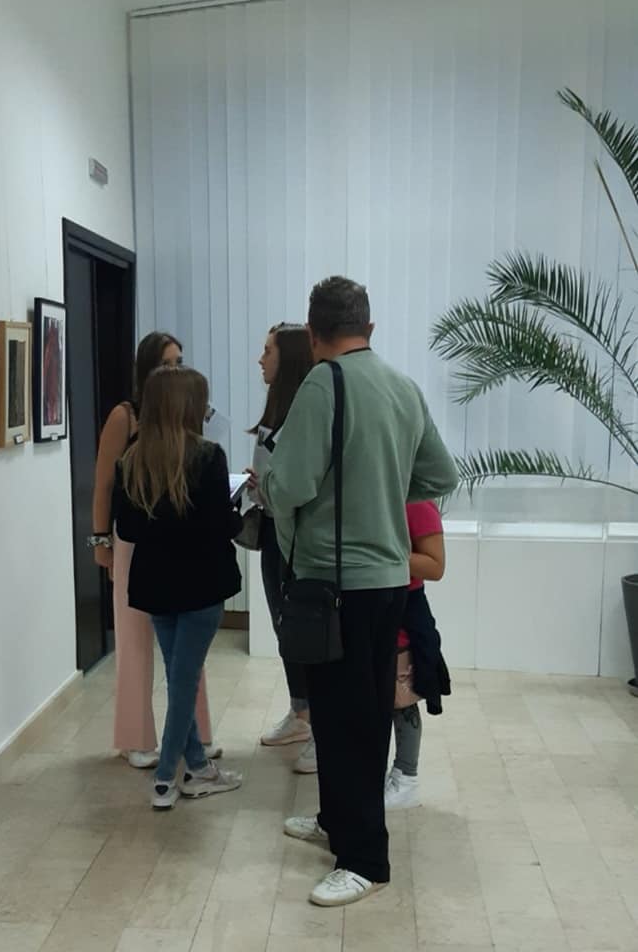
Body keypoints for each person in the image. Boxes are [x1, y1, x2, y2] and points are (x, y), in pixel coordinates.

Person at [259, 276, 458, 908]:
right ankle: (338, 821)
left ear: (315, 334)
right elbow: (440, 474)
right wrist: (381, 488)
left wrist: (274, 489)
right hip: (388, 583)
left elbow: (290, 486)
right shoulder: (402, 386)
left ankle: (365, 859)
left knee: (347, 720)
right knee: (355, 711)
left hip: (335, 582)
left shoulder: (323, 383)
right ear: (368, 328)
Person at [114, 366, 244, 809]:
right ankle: (166, 778)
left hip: (156, 586)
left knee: (179, 678)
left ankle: (200, 768)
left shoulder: (132, 460)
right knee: (183, 684)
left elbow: (128, 530)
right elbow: (221, 526)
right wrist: (238, 511)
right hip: (202, 585)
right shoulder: (208, 457)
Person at [90, 332, 218, 769]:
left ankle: (196, 735)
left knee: (189, 647)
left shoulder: (183, 414)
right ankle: (135, 737)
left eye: (179, 361)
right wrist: (100, 541)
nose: (175, 370)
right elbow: (104, 484)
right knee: (134, 641)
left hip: (181, 541)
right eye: (166, 363)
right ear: (147, 368)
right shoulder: (125, 417)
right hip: (133, 539)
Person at [248, 324, 316, 772]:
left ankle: (317, 723)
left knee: (305, 631)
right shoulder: (275, 409)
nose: (261, 359)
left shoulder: (304, 416)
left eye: (268, 350)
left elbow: (297, 486)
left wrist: (268, 484)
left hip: (298, 538)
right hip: (272, 530)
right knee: (282, 626)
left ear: (287, 358)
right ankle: (300, 711)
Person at [387, 500, 448, 809]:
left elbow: (435, 566)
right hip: (373, 603)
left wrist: (379, 553)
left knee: (402, 697)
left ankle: (406, 776)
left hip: (404, 608)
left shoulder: (416, 501)